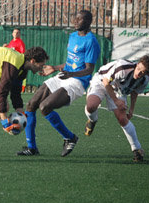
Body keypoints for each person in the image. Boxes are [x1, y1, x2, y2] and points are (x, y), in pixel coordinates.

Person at [17, 10, 101, 157]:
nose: (75, 21)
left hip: (76, 82)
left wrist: (71, 74)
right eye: (75, 18)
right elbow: (70, 63)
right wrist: (55, 68)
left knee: (45, 107)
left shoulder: (91, 41)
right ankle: (32, 148)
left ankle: (70, 137)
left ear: (88, 22)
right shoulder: (73, 36)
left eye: (79, 20)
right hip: (64, 75)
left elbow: (89, 69)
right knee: (31, 104)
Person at [83, 55, 149, 162]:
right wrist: (117, 101)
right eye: (139, 69)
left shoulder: (145, 79)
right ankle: (92, 120)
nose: (139, 73)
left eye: (143, 72)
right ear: (137, 64)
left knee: (122, 119)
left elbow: (135, 91)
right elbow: (106, 82)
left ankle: (137, 149)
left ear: (147, 73)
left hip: (119, 90)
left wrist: (131, 109)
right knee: (91, 106)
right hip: (102, 82)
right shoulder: (122, 67)